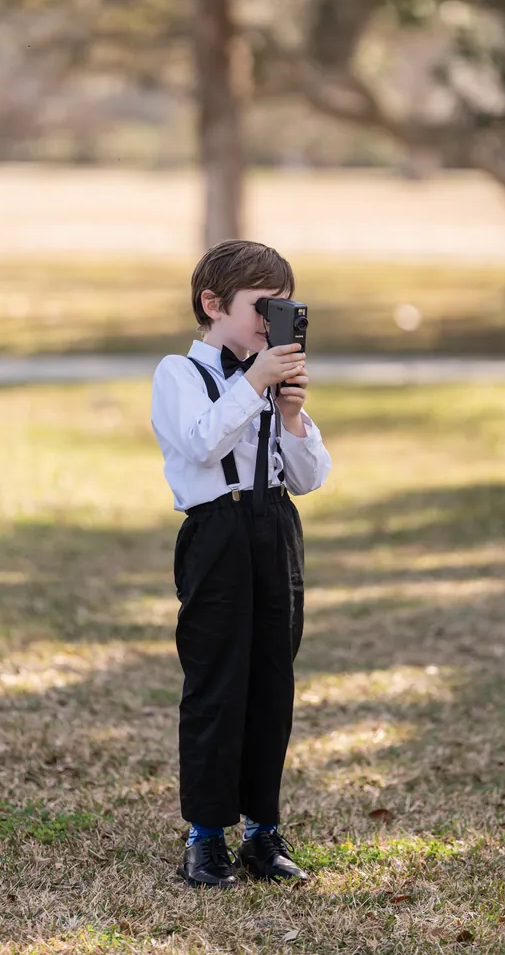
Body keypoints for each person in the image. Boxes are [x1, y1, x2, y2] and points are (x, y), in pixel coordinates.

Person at [151, 239, 332, 888]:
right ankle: (205, 836)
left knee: (270, 683)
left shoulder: (271, 378)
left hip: (274, 527)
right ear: (212, 303)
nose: (274, 319)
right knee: (216, 683)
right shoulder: (180, 374)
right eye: (263, 305)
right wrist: (255, 382)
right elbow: (200, 443)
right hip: (216, 532)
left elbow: (309, 476)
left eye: (284, 307)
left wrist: (291, 415)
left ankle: (263, 831)